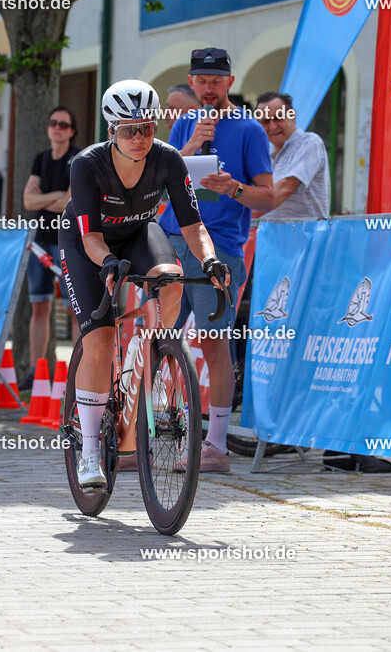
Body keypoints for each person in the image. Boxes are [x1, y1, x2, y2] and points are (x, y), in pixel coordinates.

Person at [59, 79, 229, 489]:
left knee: (170, 280)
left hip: (138, 232)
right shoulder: (87, 164)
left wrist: (209, 259)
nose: (139, 138)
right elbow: (91, 238)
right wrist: (108, 263)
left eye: (147, 128)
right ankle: (91, 452)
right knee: (99, 342)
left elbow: (193, 226)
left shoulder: (169, 160)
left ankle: (148, 351)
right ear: (111, 132)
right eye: (128, 130)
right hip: (89, 245)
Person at [159, 47, 274, 472]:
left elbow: (269, 194)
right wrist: (189, 144)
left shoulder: (249, 130)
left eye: (216, 81)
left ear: (229, 82)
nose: (208, 89)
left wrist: (234, 188)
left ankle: (217, 447)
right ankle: (151, 437)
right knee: (159, 339)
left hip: (219, 247)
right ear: (191, 82)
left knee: (213, 343)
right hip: (173, 241)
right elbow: (159, 182)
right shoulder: (182, 126)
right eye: (201, 80)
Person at [22, 106, 81, 390]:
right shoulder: (40, 159)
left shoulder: (78, 159)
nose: (56, 127)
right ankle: (37, 373)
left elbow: (69, 204)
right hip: (39, 241)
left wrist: (44, 198)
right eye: (53, 123)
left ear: (71, 131)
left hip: (67, 241)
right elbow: (27, 202)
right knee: (39, 307)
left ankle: (78, 373)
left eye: (63, 124)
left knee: (74, 310)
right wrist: (55, 197)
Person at [254, 91, 330, 219]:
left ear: (292, 115)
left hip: (304, 237)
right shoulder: (265, 154)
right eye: (266, 121)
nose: (272, 126)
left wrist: (239, 219)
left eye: (278, 118)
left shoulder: (310, 142)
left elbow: (285, 189)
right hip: (269, 237)